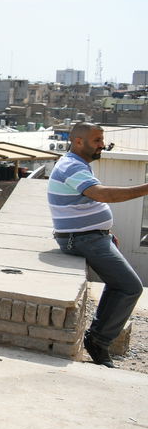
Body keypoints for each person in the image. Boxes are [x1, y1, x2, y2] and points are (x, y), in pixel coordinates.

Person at [48, 122, 148, 367]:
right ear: (78, 141)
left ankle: (97, 336)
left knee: (120, 284)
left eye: (102, 140)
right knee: (130, 287)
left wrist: (105, 231)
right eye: (97, 141)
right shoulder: (72, 166)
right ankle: (98, 341)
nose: (102, 145)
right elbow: (104, 195)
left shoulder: (77, 164)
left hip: (92, 236)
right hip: (82, 239)